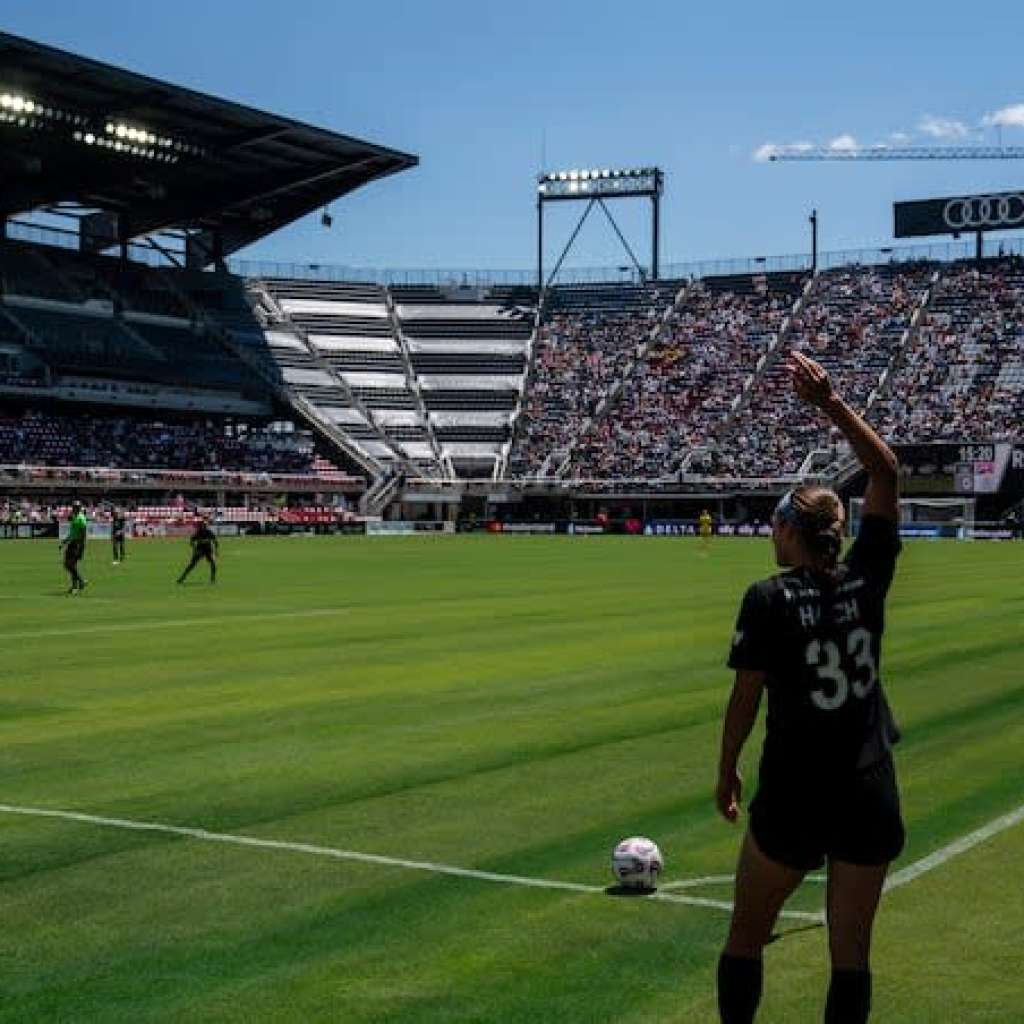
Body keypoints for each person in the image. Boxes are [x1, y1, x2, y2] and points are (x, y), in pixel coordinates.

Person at [715, 350, 904, 1024]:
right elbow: (885, 470)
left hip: (797, 787)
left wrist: (727, 769)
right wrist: (831, 405)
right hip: (868, 782)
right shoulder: (868, 574)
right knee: (851, 955)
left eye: (775, 524)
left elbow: (746, 699)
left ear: (791, 531)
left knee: (746, 936)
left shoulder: (767, 597)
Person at [177, 517, 218, 584]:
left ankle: (212, 579)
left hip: (208, 550)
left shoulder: (209, 532)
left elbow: (215, 541)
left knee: (213, 564)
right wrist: (194, 548)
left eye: (204, 526)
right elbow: (191, 541)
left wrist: (215, 550)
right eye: (202, 526)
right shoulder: (198, 533)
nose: (203, 527)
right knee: (192, 565)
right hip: (200, 550)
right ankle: (182, 578)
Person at [61, 500, 88, 594]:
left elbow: (83, 533)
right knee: (68, 564)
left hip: (78, 543)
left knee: (70, 564)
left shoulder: (81, 518)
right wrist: (64, 542)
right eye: (74, 507)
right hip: (72, 543)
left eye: (76, 507)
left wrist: (82, 546)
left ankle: (79, 583)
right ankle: (77, 584)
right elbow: (72, 532)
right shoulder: (74, 517)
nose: (74, 508)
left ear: (79, 508)